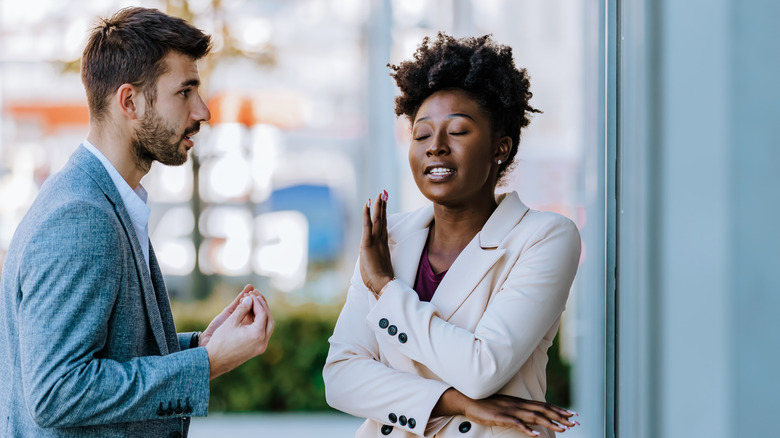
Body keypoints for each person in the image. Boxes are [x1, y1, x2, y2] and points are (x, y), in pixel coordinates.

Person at [0, 7, 274, 437]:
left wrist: (198, 347)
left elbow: (106, 355)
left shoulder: (99, 199)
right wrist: (205, 365)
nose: (202, 111)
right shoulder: (81, 217)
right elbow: (55, 392)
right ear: (129, 101)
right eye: (185, 92)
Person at [323, 33, 581, 437]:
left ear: (501, 147)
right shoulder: (388, 239)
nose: (436, 147)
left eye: (458, 131)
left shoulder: (544, 237)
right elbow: (340, 378)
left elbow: (482, 369)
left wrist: (387, 290)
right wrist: (457, 402)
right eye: (422, 135)